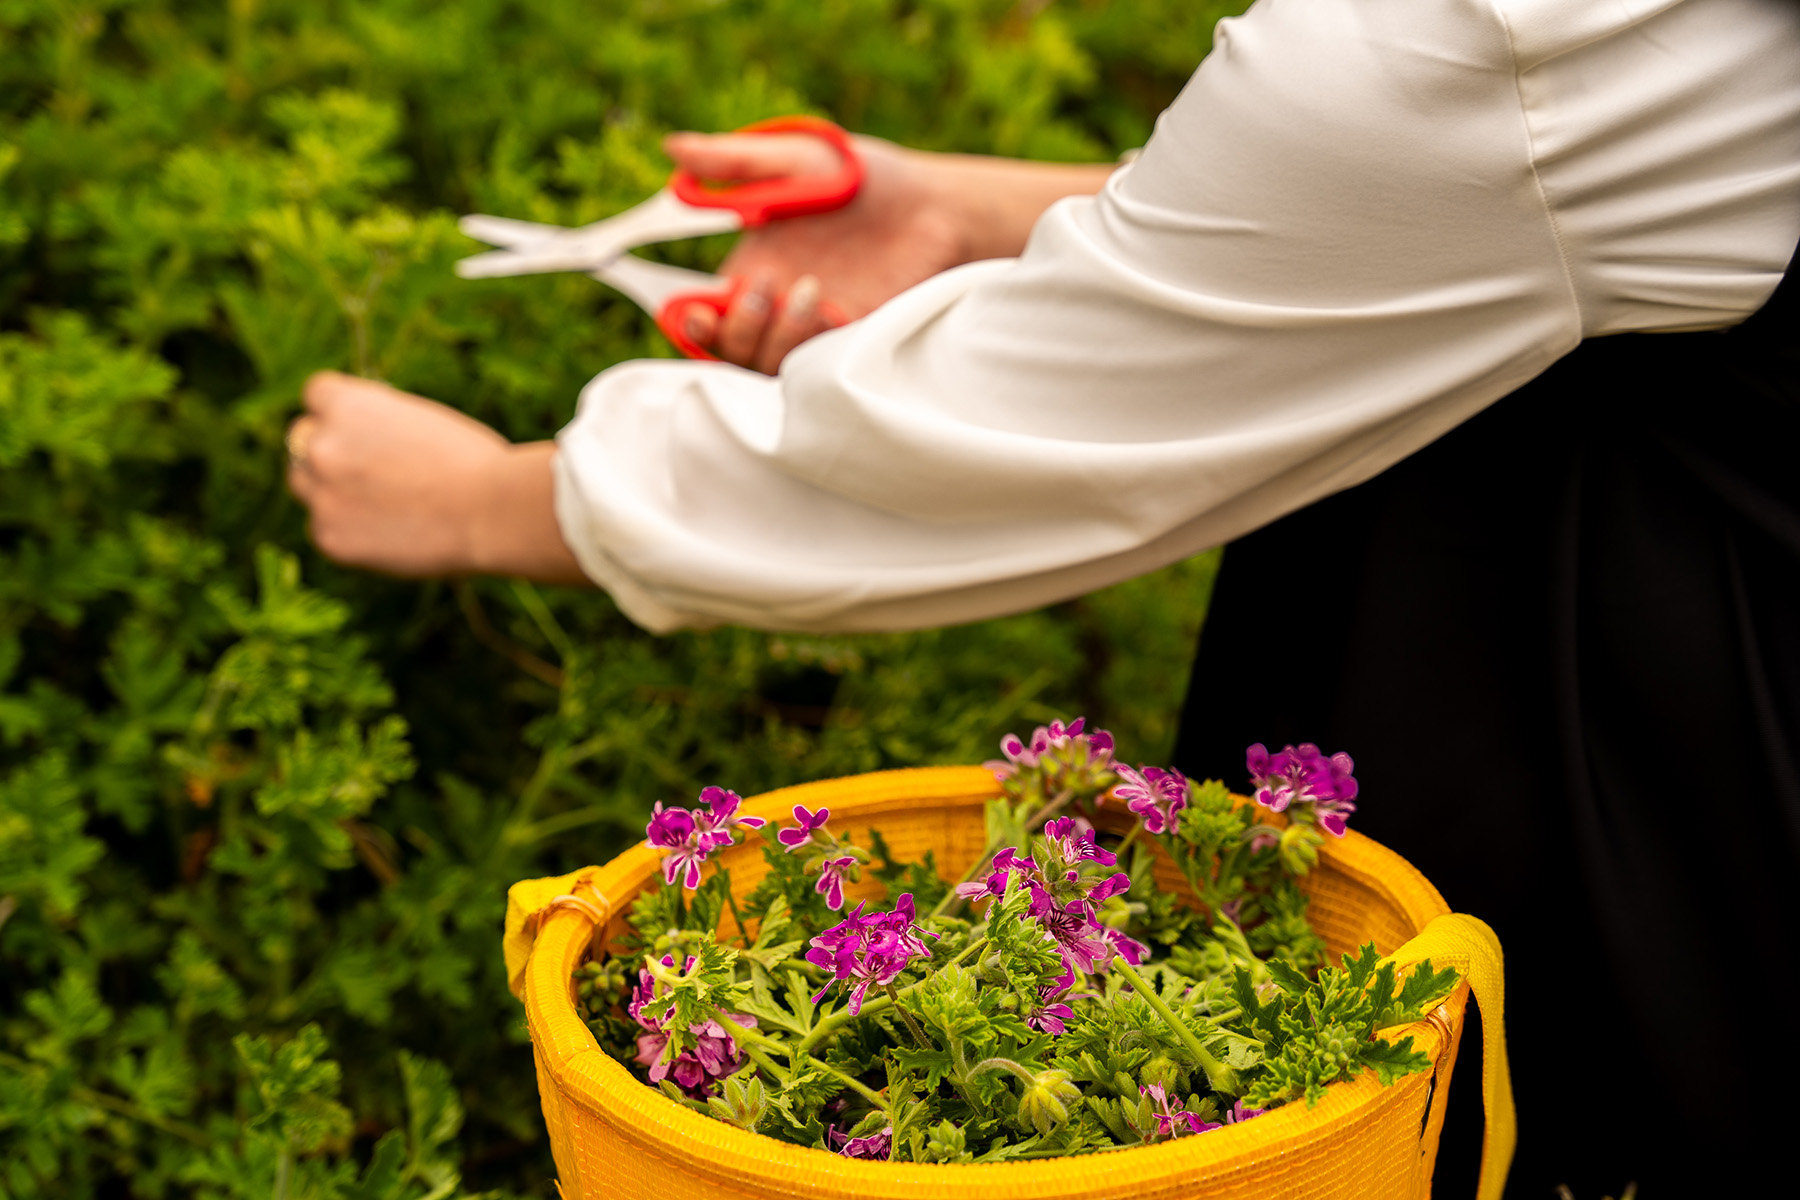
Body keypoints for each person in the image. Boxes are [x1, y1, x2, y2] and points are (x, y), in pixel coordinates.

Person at [286, 0, 1800, 1191]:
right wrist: (967, 208)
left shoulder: (1502, 29)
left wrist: (480, 496)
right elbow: (1516, 181)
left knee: (1516, 1104)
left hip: (1661, 721)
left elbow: (1009, 441)